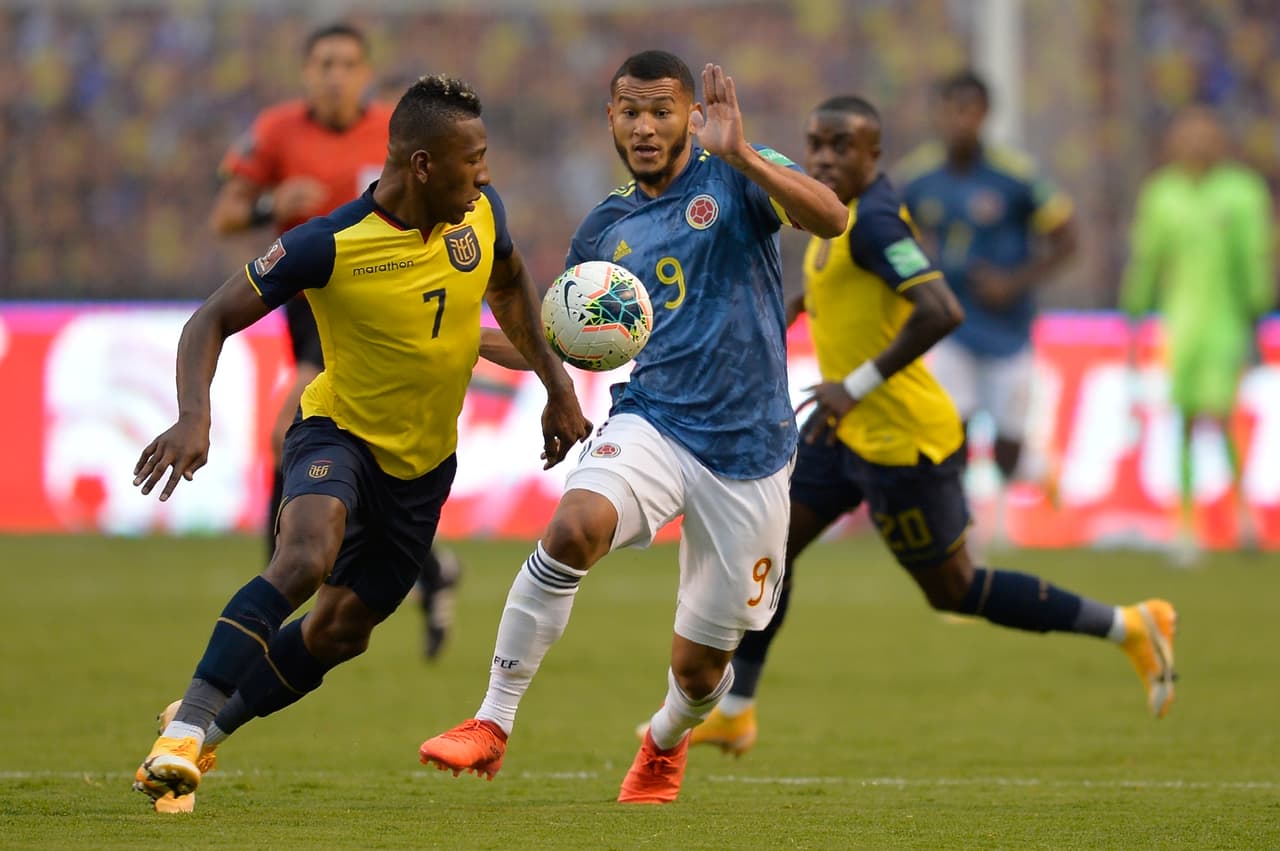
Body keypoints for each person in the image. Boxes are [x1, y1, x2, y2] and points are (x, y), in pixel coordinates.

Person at [130, 75, 592, 812]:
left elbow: (509, 287)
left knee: (340, 630)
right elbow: (210, 319)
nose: (487, 173)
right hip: (337, 432)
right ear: (421, 165)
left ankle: (203, 736)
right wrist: (195, 416)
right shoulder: (327, 243)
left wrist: (558, 388)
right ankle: (183, 729)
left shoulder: (481, 214)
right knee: (304, 556)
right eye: (472, 158)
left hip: (425, 465)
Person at [670, 96, 1178, 759]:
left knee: (958, 588)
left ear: (873, 156)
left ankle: (1130, 624)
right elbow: (841, 292)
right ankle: (736, 709)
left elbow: (941, 310)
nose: (824, 157)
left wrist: (851, 386)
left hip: (902, 441)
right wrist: (789, 310)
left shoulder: (878, 222)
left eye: (841, 146)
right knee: (773, 548)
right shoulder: (833, 214)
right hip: (846, 432)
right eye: (816, 143)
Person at [418, 51, 849, 804]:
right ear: (610, 117)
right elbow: (559, 333)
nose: (646, 127)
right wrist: (456, 348)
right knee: (574, 526)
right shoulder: (605, 228)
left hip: (750, 454)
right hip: (653, 421)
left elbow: (833, 218)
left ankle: (666, 738)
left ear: (690, 114)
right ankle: (491, 719)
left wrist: (743, 152)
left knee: (700, 668)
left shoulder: (737, 169)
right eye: (630, 111)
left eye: (661, 110)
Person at [208, 22, 470, 664]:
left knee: (289, 430)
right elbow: (225, 216)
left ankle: (283, 588)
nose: (334, 74)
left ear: (365, 73)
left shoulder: (398, 132)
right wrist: (271, 205)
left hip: (380, 308)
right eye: (323, 62)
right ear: (307, 72)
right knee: (290, 435)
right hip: (306, 302)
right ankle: (424, 569)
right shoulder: (276, 131)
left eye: (347, 63)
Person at [898, 70, 1077, 544]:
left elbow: (1067, 239)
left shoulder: (1016, 177)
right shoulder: (918, 178)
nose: (961, 120)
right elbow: (889, 234)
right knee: (950, 430)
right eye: (953, 109)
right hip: (950, 326)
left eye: (971, 110)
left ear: (985, 115)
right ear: (940, 114)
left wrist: (1013, 282)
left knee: (1007, 453)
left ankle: (1034, 468)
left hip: (1008, 330)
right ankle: (964, 530)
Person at [1120, 105, 1275, 564]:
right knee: (1184, 419)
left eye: (1204, 135)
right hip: (1180, 322)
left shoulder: (1242, 193)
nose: (1196, 144)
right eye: (1187, 135)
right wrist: (1135, 309)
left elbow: (1255, 258)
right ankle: (1185, 526)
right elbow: (1148, 259)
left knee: (1222, 413)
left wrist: (1256, 313)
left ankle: (1242, 517)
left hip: (1225, 322)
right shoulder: (1162, 194)